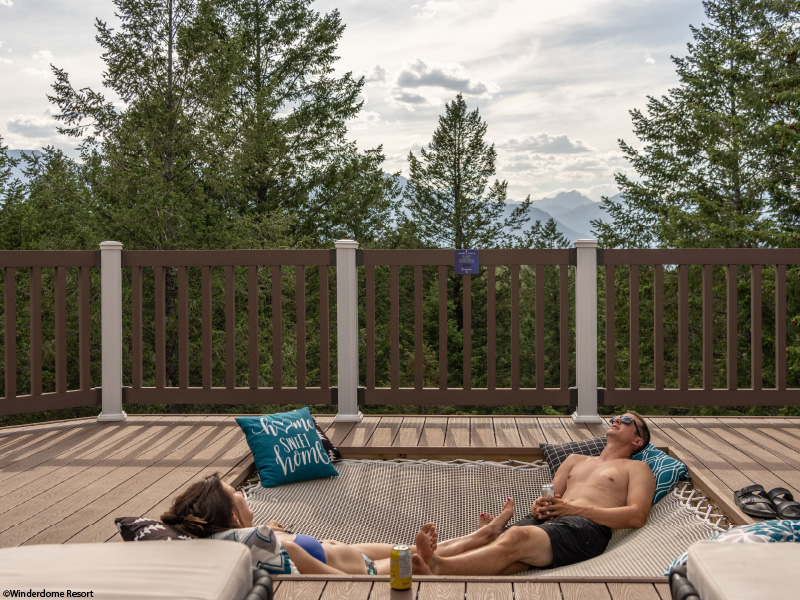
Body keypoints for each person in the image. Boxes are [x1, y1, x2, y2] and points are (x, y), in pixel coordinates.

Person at [412, 411, 656, 575]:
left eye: (625, 419)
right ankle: (406, 563)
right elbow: (547, 497)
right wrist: (537, 506)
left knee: (515, 537)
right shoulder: (575, 460)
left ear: (638, 441)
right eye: (615, 416)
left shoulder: (637, 468)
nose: (616, 420)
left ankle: (437, 566)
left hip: (586, 528)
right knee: (501, 549)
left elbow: (636, 516)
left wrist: (574, 509)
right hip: (547, 522)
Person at [161, 472, 514, 575]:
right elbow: (336, 583)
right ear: (234, 516)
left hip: (346, 549)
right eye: (237, 493)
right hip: (362, 570)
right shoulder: (285, 549)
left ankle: (480, 534)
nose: (243, 493)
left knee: (410, 548)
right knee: (415, 557)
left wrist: (272, 529)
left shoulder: (253, 540)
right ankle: (481, 539)